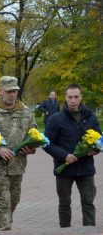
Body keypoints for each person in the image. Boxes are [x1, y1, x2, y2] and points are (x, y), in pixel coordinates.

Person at [44, 84, 100, 227]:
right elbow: (47, 143)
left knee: (88, 203)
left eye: (76, 97)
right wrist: (64, 155)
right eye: (70, 97)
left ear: (81, 97)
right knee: (64, 204)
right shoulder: (55, 119)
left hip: (86, 168)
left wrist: (96, 149)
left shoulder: (90, 117)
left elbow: (99, 139)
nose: (73, 100)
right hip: (64, 169)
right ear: (65, 98)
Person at [0, 76, 37, 231]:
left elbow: (34, 134)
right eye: (9, 91)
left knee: (13, 202)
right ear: (0, 91)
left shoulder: (26, 111)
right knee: (3, 205)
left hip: (18, 167)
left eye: (15, 91)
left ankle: (5, 231)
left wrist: (32, 148)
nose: (12, 94)